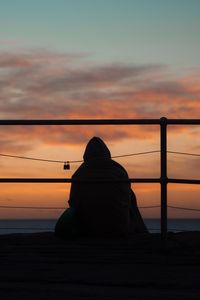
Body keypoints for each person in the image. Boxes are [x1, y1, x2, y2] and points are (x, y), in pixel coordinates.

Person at [55, 137, 147, 239]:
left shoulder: (79, 174)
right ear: (107, 153)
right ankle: (141, 230)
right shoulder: (119, 171)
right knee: (130, 195)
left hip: (87, 231)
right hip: (119, 230)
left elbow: (73, 202)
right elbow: (126, 200)